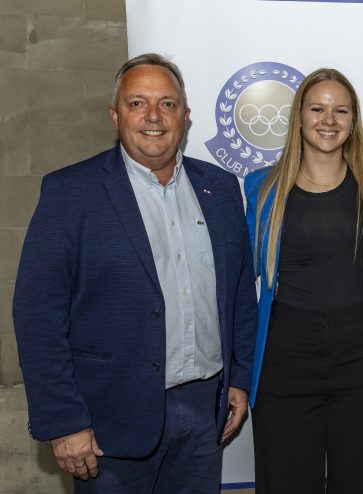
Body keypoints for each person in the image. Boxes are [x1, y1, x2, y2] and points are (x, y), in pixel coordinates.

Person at [13, 53, 258, 493]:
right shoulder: (71, 192)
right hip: (109, 422)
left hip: (205, 412)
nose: (153, 117)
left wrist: (239, 380)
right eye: (137, 103)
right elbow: (38, 316)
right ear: (115, 114)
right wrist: (65, 421)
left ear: (185, 116)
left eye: (167, 104)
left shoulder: (220, 189)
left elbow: (239, 293)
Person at [243, 68, 363, 494]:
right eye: (317, 108)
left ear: (353, 122)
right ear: (298, 117)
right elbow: (241, 282)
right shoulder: (261, 187)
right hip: (284, 369)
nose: (328, 119)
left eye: (341, 110)